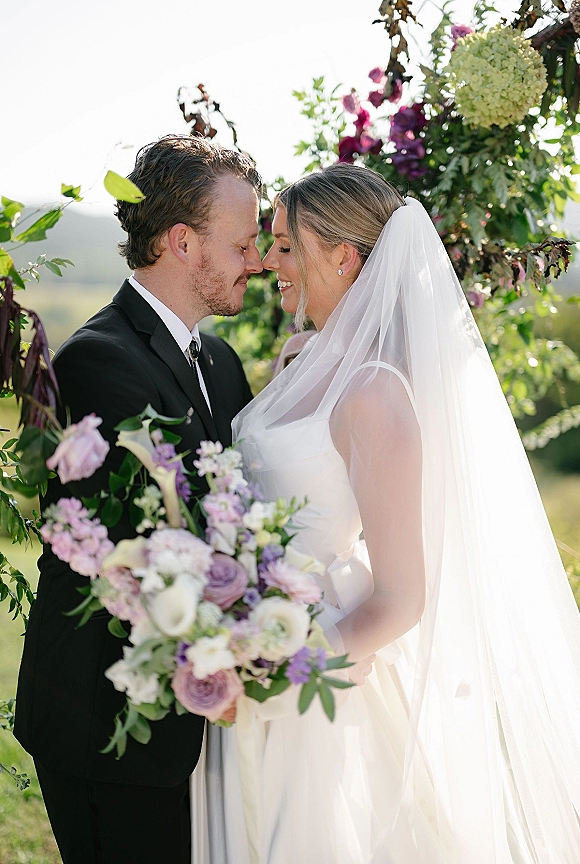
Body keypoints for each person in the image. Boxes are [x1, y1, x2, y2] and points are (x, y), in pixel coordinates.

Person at [195, 164, 580, 863]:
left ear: (342, 256)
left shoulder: (374, 394)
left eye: (286, 245)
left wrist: (285, 666)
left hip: (313, 675)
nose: (268, 262)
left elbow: (403, 598)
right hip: (248, 635)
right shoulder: (297, 355)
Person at [14, 134, 263, 864]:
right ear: (183, 242)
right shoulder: (99, 361)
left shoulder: (219, 360)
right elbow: (145, 557)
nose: (255, 260)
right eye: (243, 243)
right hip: (107, 729)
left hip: (192, 721)